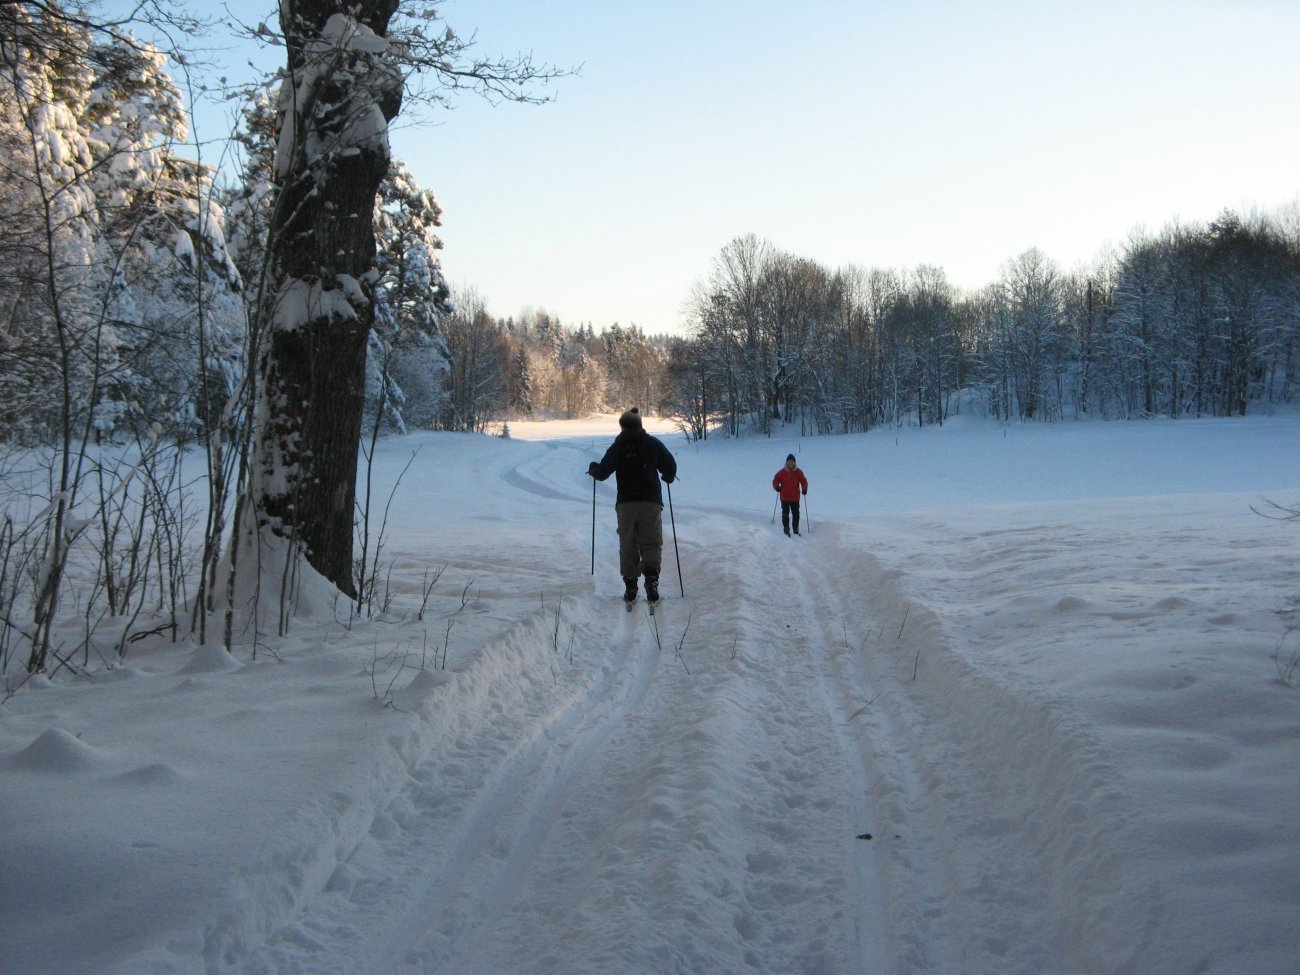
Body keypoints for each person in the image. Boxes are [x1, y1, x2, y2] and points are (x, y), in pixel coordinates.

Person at [587, 408, 677, 604]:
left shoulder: (618, 446)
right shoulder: (653, 444)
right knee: (651, 542)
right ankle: (652, 582)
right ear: (640, 425)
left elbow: (602, 473)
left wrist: (593, 469)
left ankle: (630, 585)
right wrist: (668, 476)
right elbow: (669, 464)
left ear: (622, 426)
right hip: (650, 502)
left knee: (627, 542)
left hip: (626, 504)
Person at [772, 453, 808, 536]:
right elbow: (775, 480)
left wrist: (804, 489)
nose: (791, 463)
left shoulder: (798, 472)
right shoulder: (782, 472)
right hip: (784, 497)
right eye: (789, 461)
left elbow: (804, 481)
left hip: (795, 497)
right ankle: (786, 529)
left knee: (796, 514)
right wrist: (777, 487)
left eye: (792, 461)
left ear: (794, 462)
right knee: (785, 514)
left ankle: (795, 530)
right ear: (787, 462)